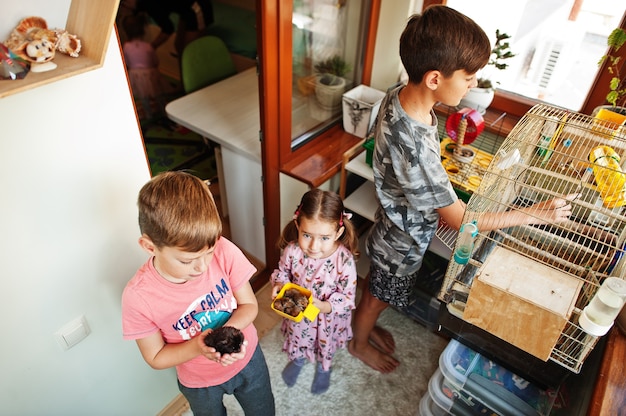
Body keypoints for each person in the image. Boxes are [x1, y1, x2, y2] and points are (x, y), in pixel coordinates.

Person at [348, 5, 577, 374]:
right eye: (469, 77)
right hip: (400, 243)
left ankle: (365, 328)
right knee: (378, 297)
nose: (473, 84)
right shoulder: (416, 147)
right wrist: (536, 213)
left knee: (378, 292)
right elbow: (460, 221)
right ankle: (358, 343)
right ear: (435, 78)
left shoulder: (401, 93)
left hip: (394, 223)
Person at [121, 171, 275, 416]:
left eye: (209, 251)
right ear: (150, 246)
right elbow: (155, 357)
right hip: (199, 382)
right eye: (187, 260)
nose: (203, 267)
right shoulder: (138, 297)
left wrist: (229, 332)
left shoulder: (225, 250)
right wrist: (198, 347)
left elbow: (249, 305)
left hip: (248, 360)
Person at [270, 189, 359, 394]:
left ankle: (323, 368)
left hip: (328, 320)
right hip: (299, 315)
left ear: (338, 233)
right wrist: (278, 285)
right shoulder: (292, 251)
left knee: (324, 346)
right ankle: (299, 360)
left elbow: (347, 298)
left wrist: (325, 306)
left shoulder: (343, 261)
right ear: (297, 226)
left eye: (324, 238)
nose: (314, 246)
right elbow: (282, 273)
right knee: (298, 338)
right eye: (307, 235)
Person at [122, 13, 172, 122]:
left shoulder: (126, 46)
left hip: (136, 75)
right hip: (150, 74)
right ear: (143, 30)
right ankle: (164, 111)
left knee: (143, 97)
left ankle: (149, 114)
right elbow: (155, 61)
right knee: (158, 93)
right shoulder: (148, 46)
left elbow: (126, 61)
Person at [136, 0, 214, 59]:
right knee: (179, 46)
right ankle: (185, 76)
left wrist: (152, 46)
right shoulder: (145, 6)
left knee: (189, 53)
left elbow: (168, 29)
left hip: (198, 7)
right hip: (186, 10)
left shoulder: (149, 4)